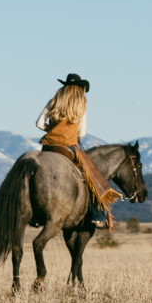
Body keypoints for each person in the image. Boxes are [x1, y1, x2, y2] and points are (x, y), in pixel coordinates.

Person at [36, 73, 112, 229]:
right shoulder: (81, 104)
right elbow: (82, 133)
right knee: (92, 178)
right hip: (68, 147)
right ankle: (97, 217)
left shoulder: (54, 101)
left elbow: (39, 124)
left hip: (48, 146)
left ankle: (35, 216)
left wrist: (53, 129)